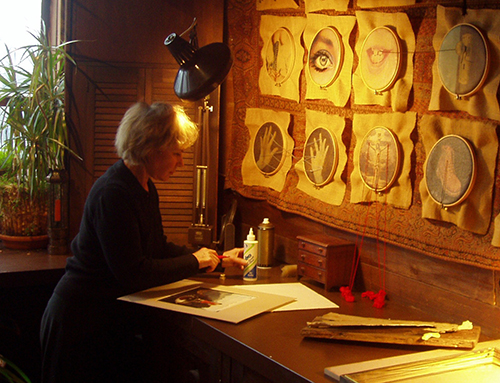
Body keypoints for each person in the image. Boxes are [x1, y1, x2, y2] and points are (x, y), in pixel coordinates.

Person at [40, 101, 246, 383]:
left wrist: (216, 259)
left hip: (105, 323)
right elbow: (133, 272)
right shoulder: (113, 193)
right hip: (79, 324)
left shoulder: (145, 187)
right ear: (151, 149)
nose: (182, 163)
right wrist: (195, 261)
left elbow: (158, 249)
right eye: (177, 153)